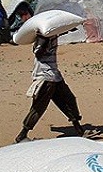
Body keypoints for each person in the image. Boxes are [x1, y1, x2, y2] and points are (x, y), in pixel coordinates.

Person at [15, 10, 85, 143]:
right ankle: (22, 135)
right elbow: (38, 53)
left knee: (69, 100)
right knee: (39, 106)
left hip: (54, 75)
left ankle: (79, 130)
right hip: (45, 77)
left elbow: (66, 29)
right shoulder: (43, 36)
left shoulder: (51, 33)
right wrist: (43, 43)